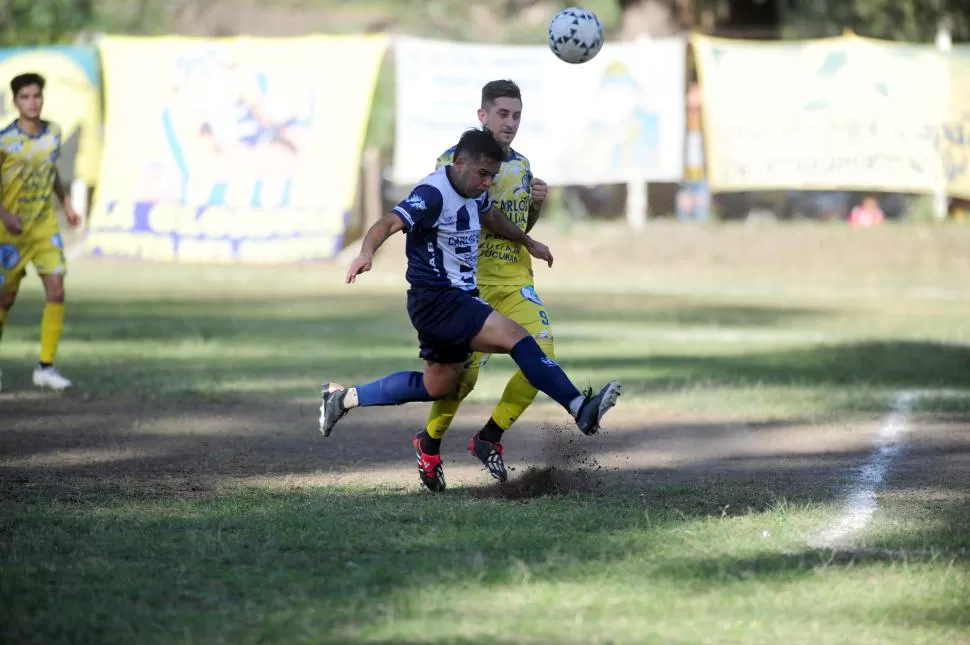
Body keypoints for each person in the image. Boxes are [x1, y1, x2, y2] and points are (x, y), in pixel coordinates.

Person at [318, 128, 621, 492]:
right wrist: (367, 253)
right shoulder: (432, 193)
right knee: (518, 338)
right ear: (459, 163)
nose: (487, 182)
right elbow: (387, 222)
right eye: (482, 173)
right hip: (441, 299)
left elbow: (492, 216)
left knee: (438, 386)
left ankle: (344, 399)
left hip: (445, 303)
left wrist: (528, 241)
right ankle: (578, 407)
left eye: (492, 175)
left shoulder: (474, 191)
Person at [421, 79, 558, 485]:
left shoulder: (522, 165)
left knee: (543, 358)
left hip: (515, 281)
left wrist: (534, 208)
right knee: (462, 378)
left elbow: (518, 226)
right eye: (502, 113)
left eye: (516, 115)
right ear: (482, 115)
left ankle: (489, 437)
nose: (510, 122)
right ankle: (428, 444)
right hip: (470, 284)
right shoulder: (452, 162)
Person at [0, 73, 81, 392]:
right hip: (11, 233)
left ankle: (45, 367)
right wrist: (5, 215)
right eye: (25, 97)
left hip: (45, 227)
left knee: (57, 290)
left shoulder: (53, 133)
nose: (33, 102)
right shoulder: (5, 140)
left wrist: (68, 204)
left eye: (37, 96)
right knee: (6, 299)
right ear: (15, 101)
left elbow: (52, 172)